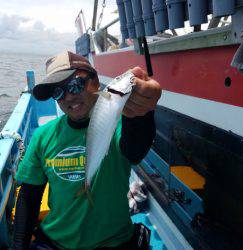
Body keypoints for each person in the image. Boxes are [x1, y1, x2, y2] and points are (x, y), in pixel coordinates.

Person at [13, 51, 162, 250]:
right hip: (55, 241)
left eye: (76, 85)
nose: (68, 97)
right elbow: (29, 196)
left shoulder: (119, 124)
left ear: (96, 82)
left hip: (114, 243)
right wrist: (18, 246)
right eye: (58, 92)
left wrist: (141, 114)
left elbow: (134, 151)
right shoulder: (42, 136)